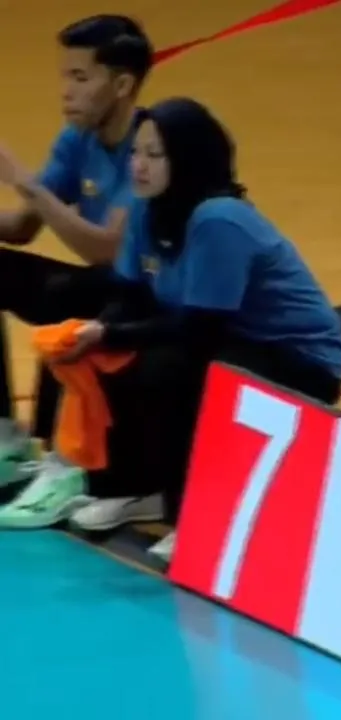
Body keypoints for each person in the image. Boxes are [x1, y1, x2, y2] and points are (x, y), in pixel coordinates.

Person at [58, 97, 341, 560]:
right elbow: (129, 295)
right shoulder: (146, 210)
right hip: (229, 339)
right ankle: (138, 489)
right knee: (111, 356)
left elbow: (200, 329)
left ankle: (197, 515)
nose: (138, 165)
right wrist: (95, 331)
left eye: (155, 155)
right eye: (136, 152)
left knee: (174, 370)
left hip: (300, 360)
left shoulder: (219, 220)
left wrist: (111, 334)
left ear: (188, 159)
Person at [0, 15, 153, 525]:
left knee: (75, 298)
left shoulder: (149, 149)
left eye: (81, 78)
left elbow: (108, 250)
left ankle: (63, 466)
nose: (66, 91)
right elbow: (23, 228)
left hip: (150, 300)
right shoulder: (77, 140)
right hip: (99, 288)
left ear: (122, 85)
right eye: (64, 76)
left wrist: (25, 182)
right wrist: (30, 195)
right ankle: (5, 438)